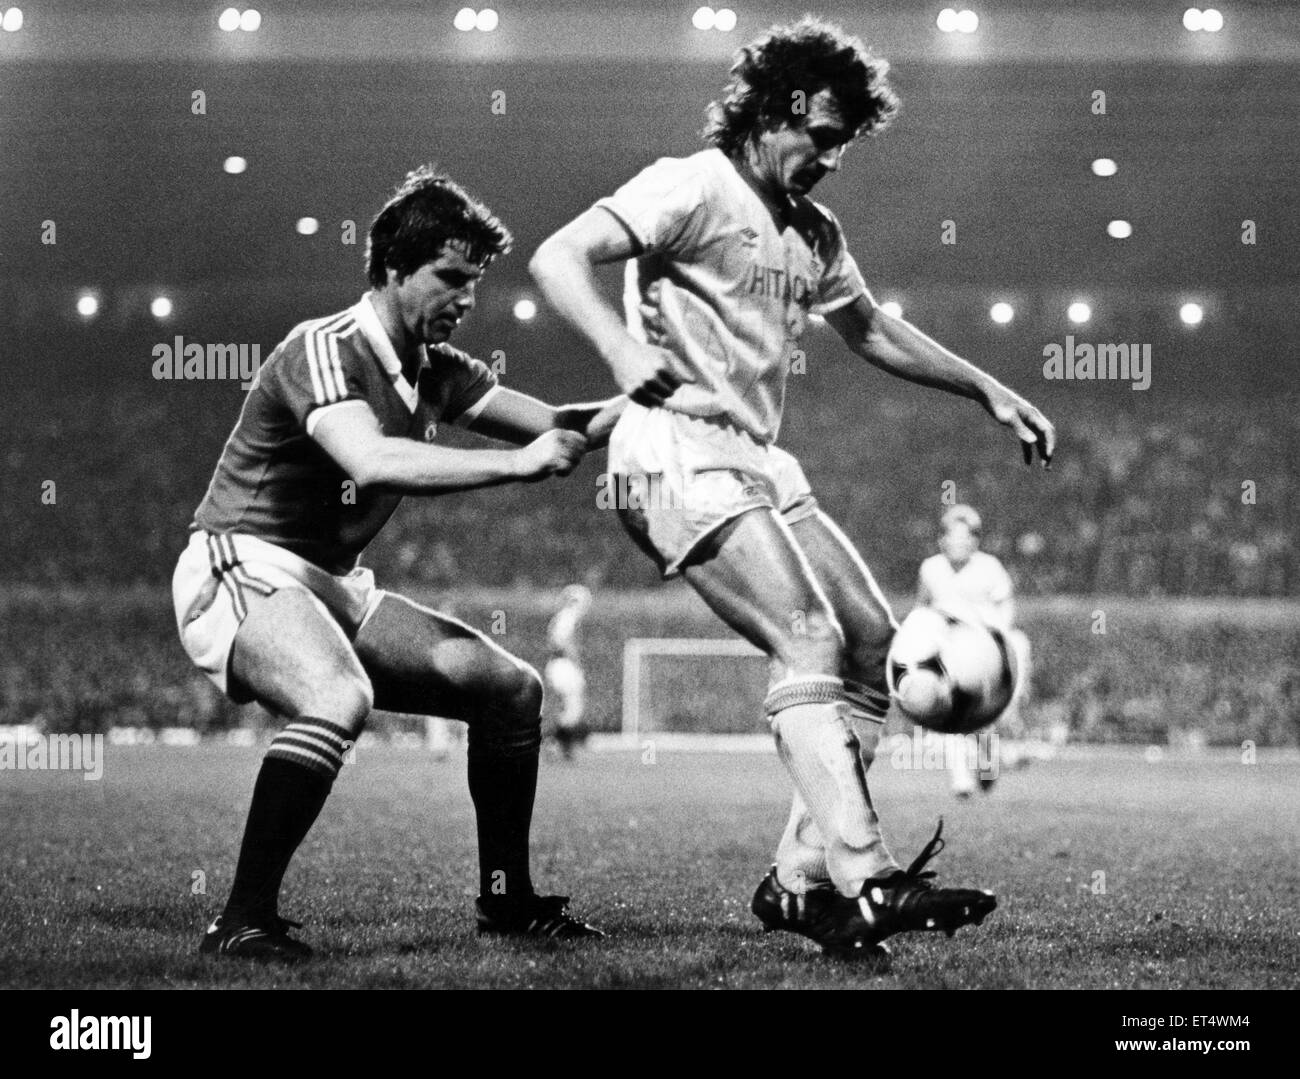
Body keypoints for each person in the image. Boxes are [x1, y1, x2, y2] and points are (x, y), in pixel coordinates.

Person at [530, 17, 1054, 964]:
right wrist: (620, 347)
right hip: (671, 451)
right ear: (774, 111)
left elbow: (875, 332)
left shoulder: (815, 231)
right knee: (806, 637)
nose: (833, 156)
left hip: (759, 460)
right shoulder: (690, 184)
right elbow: (557, 256)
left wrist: (989, 386)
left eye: (845, 141)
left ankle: (798, 883)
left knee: (872, 641)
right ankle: (868, 873)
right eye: (821, 133)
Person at [172, 165, 619, 960]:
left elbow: (560, 425)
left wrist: (662, 395)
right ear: (390, 270)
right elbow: (370, 459)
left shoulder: (436, 370)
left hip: (333, 584)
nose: (467, 298)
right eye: (450, 277)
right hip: (241, 563)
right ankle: (239, 918)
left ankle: (506, 902)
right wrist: (520, 466)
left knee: (510, 690)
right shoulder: (324, 347)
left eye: (475, 282)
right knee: (337, 697)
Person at [917, 505, 1034, 796]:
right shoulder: (931, 568)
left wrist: (996, 638)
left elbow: (1006, 606)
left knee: (984, 718)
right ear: (942, 539)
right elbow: (922, 609)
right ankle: (962, 780)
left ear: (975, 540)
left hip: (986, 652)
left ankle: (988, 761)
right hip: (949, 653)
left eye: (966, 537)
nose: (959, 543)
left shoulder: (989, 567)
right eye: (953, 536)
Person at [545, 584, 594, 759]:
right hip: (564, 665)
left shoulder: (561, 616)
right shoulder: (568, 616)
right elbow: (565, 642)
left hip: (557, 664)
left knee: (569, 707)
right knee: (574, 707)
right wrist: (577, 664)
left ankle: (562, 745)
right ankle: (555, 742)